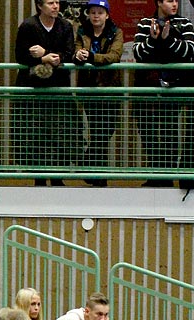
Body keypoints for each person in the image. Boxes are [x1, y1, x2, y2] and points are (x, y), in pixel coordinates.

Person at [133, 0, 194, 185]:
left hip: (173, 87)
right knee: (148, 133)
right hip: (147, 88)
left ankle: (168, 176)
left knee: (170, 132)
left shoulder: (184, 23)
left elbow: (190, 51)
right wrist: (152, 39)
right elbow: (138, 53)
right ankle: (156, 176)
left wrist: (168, 39)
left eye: (176, 0)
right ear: (159, 3)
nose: (174, 4)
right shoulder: (145, 23)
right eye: (169, 0)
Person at [13, 0, 75, 184]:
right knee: (34, 135)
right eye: (50, 3)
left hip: (59, 89)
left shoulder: (65, 26)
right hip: (33, 89)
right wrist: (43, 58)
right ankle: (38, 177)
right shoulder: (28, 26)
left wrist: (46, 54)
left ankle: (58, 178)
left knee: (61, 134)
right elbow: (20, 56)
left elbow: (69, 52)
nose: (55, 6)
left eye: (57, 2)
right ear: (40, 6)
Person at [73, 0, 123, 181]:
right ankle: (98, 176)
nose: (96, 16)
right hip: (89, 88)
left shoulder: (115, 32)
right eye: (92, 12)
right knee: (96, 130)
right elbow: (76, 50)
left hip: (109, 89)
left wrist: (93, 57)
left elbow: (115, 56)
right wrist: (78, 55)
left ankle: (88, 165)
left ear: (107, 15)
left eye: (100, 12)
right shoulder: (81, 31)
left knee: (106, 131)